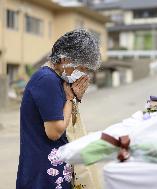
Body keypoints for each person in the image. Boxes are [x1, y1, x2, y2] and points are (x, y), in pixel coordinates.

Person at [16, 29, 101, 189]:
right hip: (44, 176)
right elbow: (54, 132)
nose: (83, 74)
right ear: (63, 59)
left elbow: (67, 120)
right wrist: (69, 99)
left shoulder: (55, 79)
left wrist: (74, 98)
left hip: (51, 171)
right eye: (81, 67)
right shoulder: (47, 81)